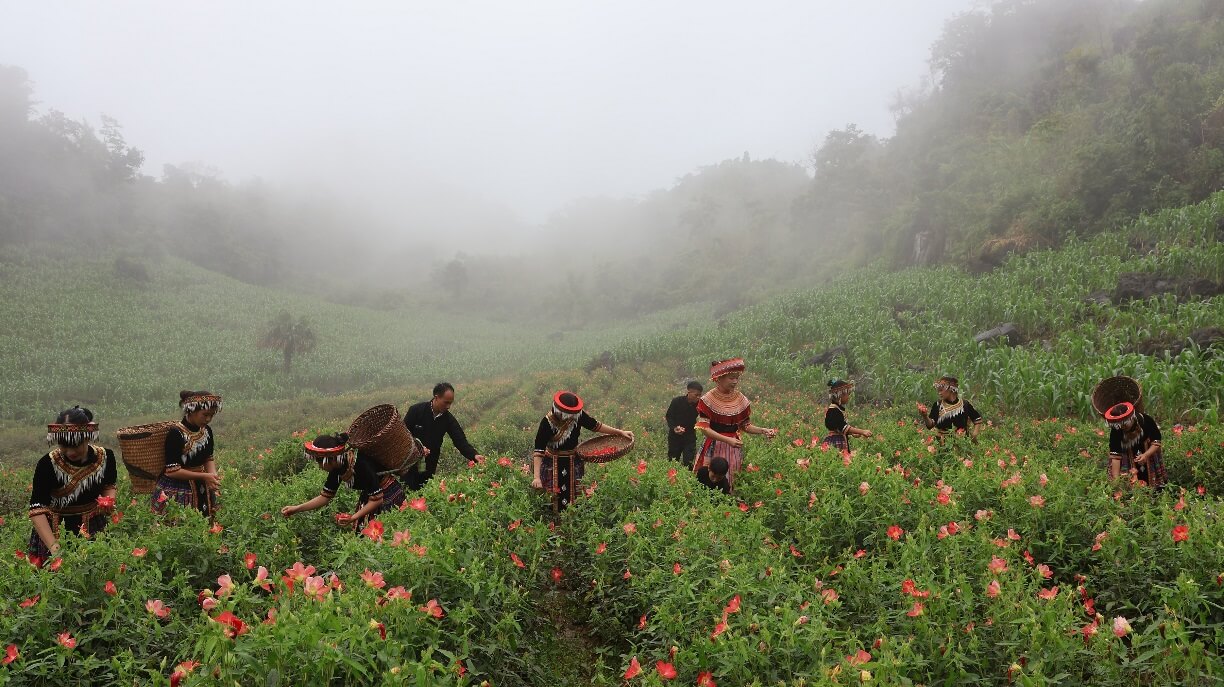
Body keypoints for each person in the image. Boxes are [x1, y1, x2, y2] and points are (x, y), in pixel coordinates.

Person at [27, 406, 118, 566]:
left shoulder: (105, 457)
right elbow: (37, 509)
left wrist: (109, 500)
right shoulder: (47, 464)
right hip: (55, 531)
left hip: (93, 526)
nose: (70, 452)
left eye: (76, 445)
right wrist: (55, 548)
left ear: (87, 437)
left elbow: (109, 486)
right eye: (63, 445)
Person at [280, 432, 406, 531]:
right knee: (363, 532)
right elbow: (325, 497)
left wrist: (354, 517)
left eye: (320, 461)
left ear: (331, 459)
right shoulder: (337, 467)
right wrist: (296, 509)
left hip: (388, 493)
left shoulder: (361, 464)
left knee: (385, 531)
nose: (319, 466)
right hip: (370, 495)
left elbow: (377, 499)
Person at [532, 391, 634, 512]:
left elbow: (596, 425)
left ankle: (573, 521)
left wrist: (620, 432)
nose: (570, 417)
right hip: (552, 463)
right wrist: (536, 477)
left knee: (575, 497)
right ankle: (553, 523)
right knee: (552, 498)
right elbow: (539, 451)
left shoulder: (577, 415)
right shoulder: (547, 423)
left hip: (573, 461)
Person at [692, 358, 778, 492]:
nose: (735, 381)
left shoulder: (740, 399)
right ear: (719, 378)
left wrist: (763, 430)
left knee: (730, 481)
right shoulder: (708, 399)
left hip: (733, 448)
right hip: (714, 445)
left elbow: (746, 425)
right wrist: (727, 440)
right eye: (731, 378)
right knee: (708, 481)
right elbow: (704, 429)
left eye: (736, 378)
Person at [152, 390, 221, 519]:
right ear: (191, 410)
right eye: (205, 415)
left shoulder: (206, 431)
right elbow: (172, 471)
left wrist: (213, 477)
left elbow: (208, 457)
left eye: (212, 415)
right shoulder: (176, 433)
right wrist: (205, 476)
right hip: (177, 488)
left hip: (202, 486)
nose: (208, 419)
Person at [402, 382, 482, 491]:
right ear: (436, 397)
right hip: (409, 464)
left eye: (451, 403)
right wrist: (417, 448)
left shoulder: (448, 419)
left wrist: (474, 455)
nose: (448, 406)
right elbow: (403, 434)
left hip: (429, 466)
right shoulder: (416, 411)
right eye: (446, 402)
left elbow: (460, 440)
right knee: (406, 493)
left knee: (424, 493)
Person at [1104, 401, 1166, 489]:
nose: (1122, 427)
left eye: (1125, 424)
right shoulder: (1117, 430)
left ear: (1132, 418)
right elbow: (1115, 457)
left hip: (1149, 455)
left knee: (1154, 489)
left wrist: (1146, 455)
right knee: (1129, 489)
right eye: (1120, 425)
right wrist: (1116, 482)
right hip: (1127, 459)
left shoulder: (1146, 420)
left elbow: (1156, 442)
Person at [916, 376, 984, 442]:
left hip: (962, 444)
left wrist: (974, 435)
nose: (939, 393)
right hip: (942, 445)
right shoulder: (937, 405)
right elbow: (930, 425)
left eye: (942, 390)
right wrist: (925, 416)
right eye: (939, 391)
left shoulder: (965, 404)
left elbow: (977, 419)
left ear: (951, 389)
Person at [823, 379, 872, 452]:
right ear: (840, 395)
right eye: (847, 394)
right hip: (835, 442)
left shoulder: (836, 409)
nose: (848, 397)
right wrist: (862, 431)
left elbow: (840, 428)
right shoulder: (834, 411)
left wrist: (852, 433)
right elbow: (843, 427)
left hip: (838, 440)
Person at [665, 381, 703, 467]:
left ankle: (688, 479)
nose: (698, 397)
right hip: (675, 437)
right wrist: (674, 428)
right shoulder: (677, 401)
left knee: (689, 462)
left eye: (699, 395)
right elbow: (669, 416)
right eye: (696, 395)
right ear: (689, 392)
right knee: (673, 461)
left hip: (689, 437)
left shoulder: (699, 405)